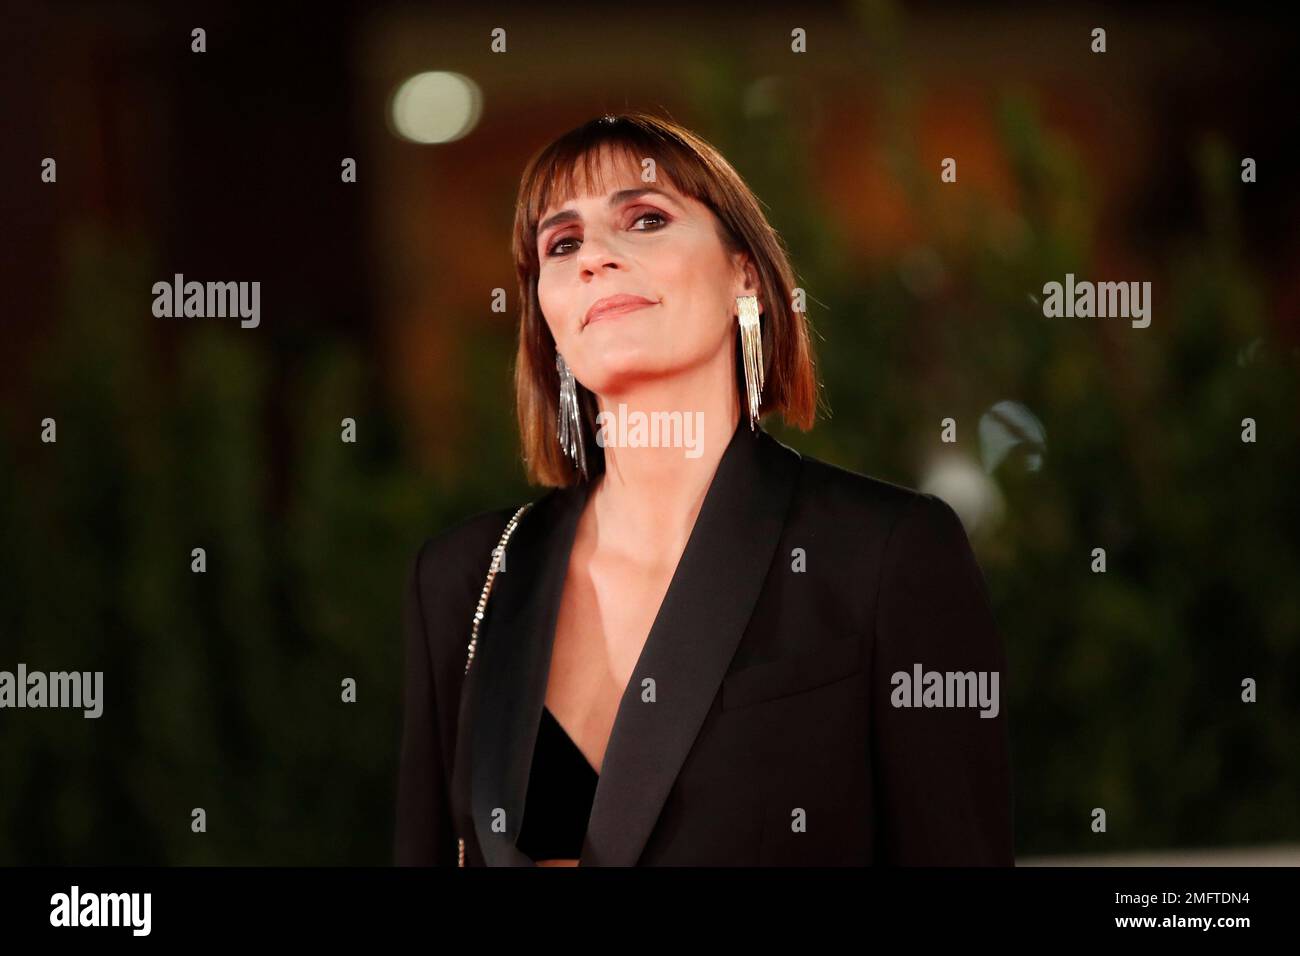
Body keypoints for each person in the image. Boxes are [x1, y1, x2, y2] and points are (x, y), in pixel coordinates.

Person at [395, 112, 1014, 866]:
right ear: (547, 317)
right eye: (563, 244)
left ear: (743, 273)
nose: (595, 258)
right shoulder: (464, 576)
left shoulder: (886, 553)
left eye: (645, 219)